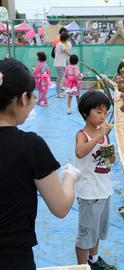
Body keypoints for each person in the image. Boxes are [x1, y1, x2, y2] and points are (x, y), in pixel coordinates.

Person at [0, 58, 80, 269]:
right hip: (14, 258)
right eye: (32, 96)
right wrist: (70, 176)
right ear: (22, 99)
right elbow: (61, 207)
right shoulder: (30, 146)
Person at [75, 90, 117, 270]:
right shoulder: (82, 135)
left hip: (104, 190)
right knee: (86, 234)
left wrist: (111, 153)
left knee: (98, 230)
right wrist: (99, 136)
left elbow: (109, 161)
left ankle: (94, 259)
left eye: (105, 112)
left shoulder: (105, 135)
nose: (103, 116)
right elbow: (80, 151)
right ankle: (82, 266)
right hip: (89, 193)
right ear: (86, 113)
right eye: (98, 112)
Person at [53, 32, 72, 98]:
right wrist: (72, 56)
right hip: (60, 63)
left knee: (60, 77)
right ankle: (59, 92)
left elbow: (55, 51)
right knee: (60, 78)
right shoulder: (61, 45)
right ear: (66, 39)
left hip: (59, 63)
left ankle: (59, 91)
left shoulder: (58, 44)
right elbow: (66, 51)